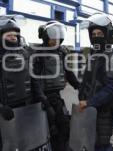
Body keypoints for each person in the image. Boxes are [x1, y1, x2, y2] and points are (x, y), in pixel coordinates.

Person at [0, 15, 47, 151]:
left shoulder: (24, 54)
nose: (13, 38)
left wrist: (41, 97)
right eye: (9, 35)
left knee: (25, 145)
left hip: (23, 112)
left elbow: (32, 79)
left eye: (15, 35)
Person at [78, 13, 113, 151]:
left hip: (104, 110)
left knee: (102, 144)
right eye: (93, 34)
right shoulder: (94, 55)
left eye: (99, 33)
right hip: (91, 109)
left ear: (107, 34)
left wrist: (89, 102)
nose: (96, 36)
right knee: (90, 142)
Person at [32, 20, 81, 151]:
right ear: (45, 37)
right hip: (42, 98)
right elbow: (34, 79)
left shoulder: (61, 52)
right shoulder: (38, 53)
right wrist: (44, 101)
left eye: (59, 37)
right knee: (51, 129)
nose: (56, 40)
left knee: (64, 127)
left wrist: (78, 85)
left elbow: (68, 72)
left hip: (56, 97)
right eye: (53, 37)